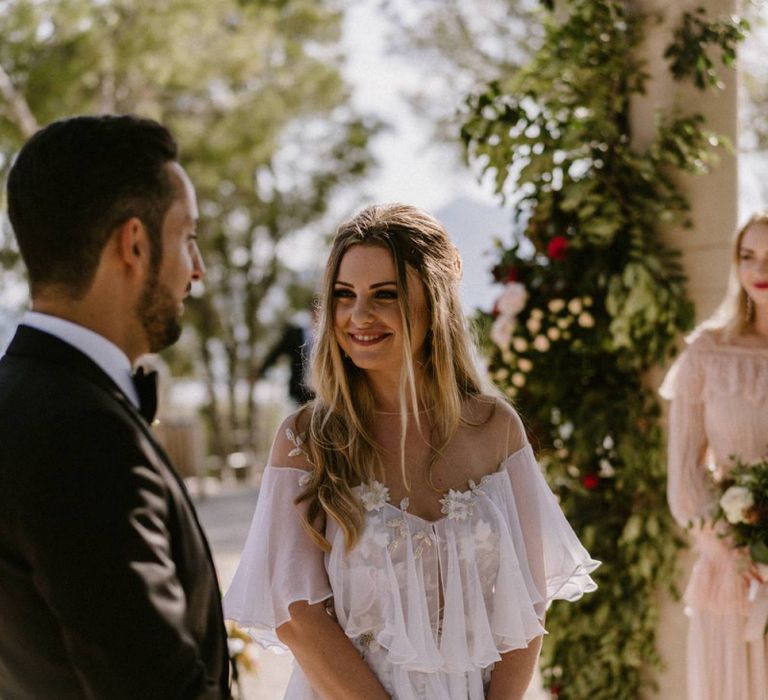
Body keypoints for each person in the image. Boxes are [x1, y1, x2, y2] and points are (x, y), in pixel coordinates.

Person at [224, 203, 599, 699]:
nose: (358, 316)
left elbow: (528, 603)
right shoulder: (307, 439)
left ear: (435, 303)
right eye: (344, 295)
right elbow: (296, 613)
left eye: (386, 295)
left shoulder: (495, 428)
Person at [0, 115, 230, 699]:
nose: (196, 269)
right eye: (187, 238)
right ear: (133, 244)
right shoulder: (80, 435)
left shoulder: (19, 396)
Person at [660, 212, 768, 700]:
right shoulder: (708, 352)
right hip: (732, 569)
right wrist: (732, 548)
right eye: (748, 256)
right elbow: (684, 470)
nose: (757, 269)